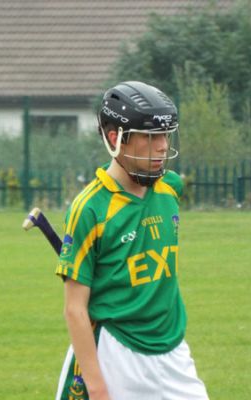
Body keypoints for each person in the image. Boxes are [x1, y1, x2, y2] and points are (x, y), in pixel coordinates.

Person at [55, 81, 209, 400]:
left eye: (165, 136)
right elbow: (74, 309)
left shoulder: (169, 187)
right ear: (115, 138)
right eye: (150, 137)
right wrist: (97, 387)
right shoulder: (89, 209)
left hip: (172, 349)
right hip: (116, 352)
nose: (163, 147)